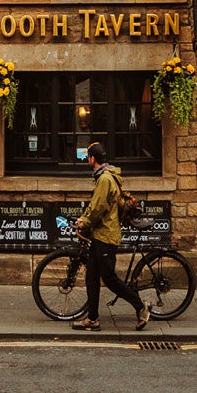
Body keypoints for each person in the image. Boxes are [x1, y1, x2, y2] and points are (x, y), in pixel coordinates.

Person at [72, 139, 149, 331]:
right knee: (91, 276)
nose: (86, 161)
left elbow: (99, 207)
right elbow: (95, 205)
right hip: (100, 235)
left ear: (92, 158)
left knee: (110, 279)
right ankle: (93, 318)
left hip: (106, 235)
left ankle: (141, 306)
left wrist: (85, 222)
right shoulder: (103, 177)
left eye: (87, 157)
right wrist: (84, 219)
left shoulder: (105, 179)